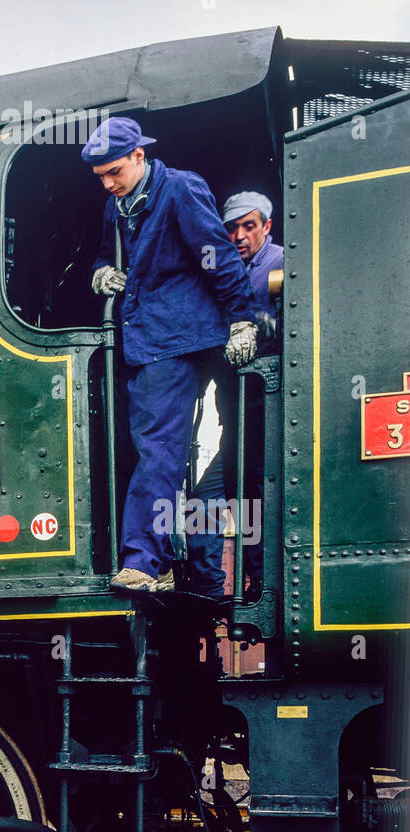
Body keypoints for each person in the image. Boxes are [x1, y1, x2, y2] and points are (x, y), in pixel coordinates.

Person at [83, 117, 257, 593]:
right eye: (100, 176)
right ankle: (157, 563)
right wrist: (102, 273)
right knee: (156, 450)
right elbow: (104, 255)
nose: (108, 183)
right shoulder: (115, 206)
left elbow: (216, 254)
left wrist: (242, 317)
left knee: (158, 450)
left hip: (179, 337)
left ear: (140, 155)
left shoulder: (180, 189)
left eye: (114, 171)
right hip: (148, 339)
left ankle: (143, 561)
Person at [186, 191, 284, 599]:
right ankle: (210, 586)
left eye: (249, 226)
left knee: (256, 498)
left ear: (267, 227)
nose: (239, 235)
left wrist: (256, 325)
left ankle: (259, 583)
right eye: (232, 228)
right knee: (207, 501)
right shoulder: (222, 270)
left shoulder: (282, 263)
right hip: (235, 417)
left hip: (269, 412)